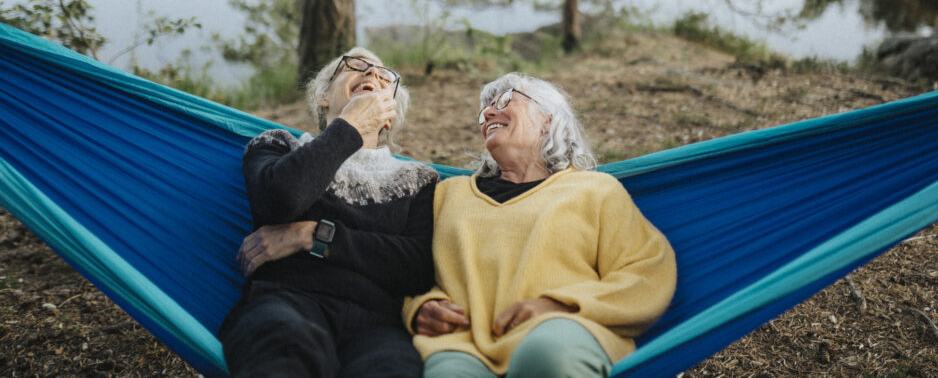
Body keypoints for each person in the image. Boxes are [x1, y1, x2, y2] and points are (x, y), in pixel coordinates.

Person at [405, 73, 676, 377]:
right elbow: (405, 271)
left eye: (506, 100)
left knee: (546, 355)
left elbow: (647, 270)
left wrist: (561, 307)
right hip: (464, 345)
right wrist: (419, 308)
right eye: (484, 112)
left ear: (548, 118)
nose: (489, 114)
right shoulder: (446, 195)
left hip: (563, 333)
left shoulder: (595, 190)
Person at [218, 47, 438, 378]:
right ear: (323, 97)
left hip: (378, 324)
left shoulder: (418, 180)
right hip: (287, 303)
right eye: (356, 66)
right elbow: (280, 200)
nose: (372, 74)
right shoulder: (279, 147)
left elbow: (416, 266)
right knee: (283, 347)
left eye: (383, 74)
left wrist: (312, 235)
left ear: (389, 114)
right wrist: (351, 124)